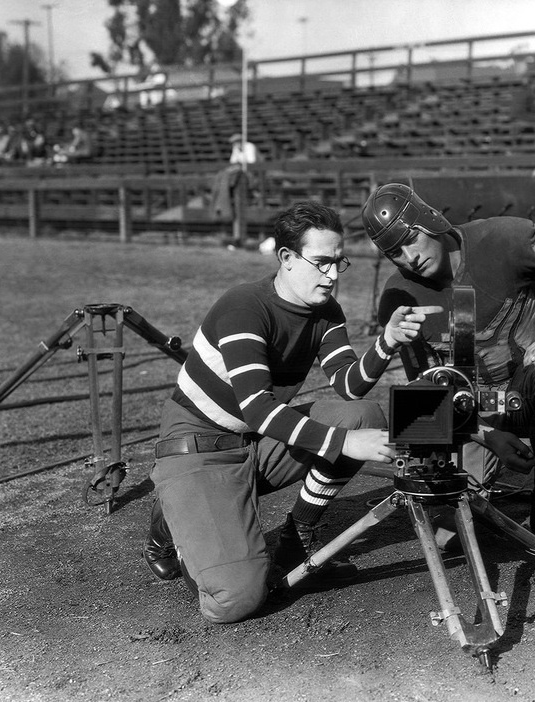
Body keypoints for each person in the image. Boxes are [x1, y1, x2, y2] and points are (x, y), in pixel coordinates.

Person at [143, 201, 441, 623]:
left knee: (364, 416)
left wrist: (387, 342)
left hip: (255, 443)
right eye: (321, 263)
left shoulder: (324, 309)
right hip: (199, 451)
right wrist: (342, 443)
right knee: (237, 599)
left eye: (340, 263)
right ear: (286, 258)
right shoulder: (244, 308)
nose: (333, 275)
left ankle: (298, 535)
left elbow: (347, 384)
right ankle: (169, 517)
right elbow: (260, 409)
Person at [363, 183, 535, 557]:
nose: (409, 257)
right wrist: (483, 434)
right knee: (448, 538)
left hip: (526, 390)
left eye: (411, 239)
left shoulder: (503, 238)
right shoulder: (399, 296)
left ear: (429, 220)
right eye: (394, 252)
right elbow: (425, 394)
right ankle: (481, 495)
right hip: (469, 410)